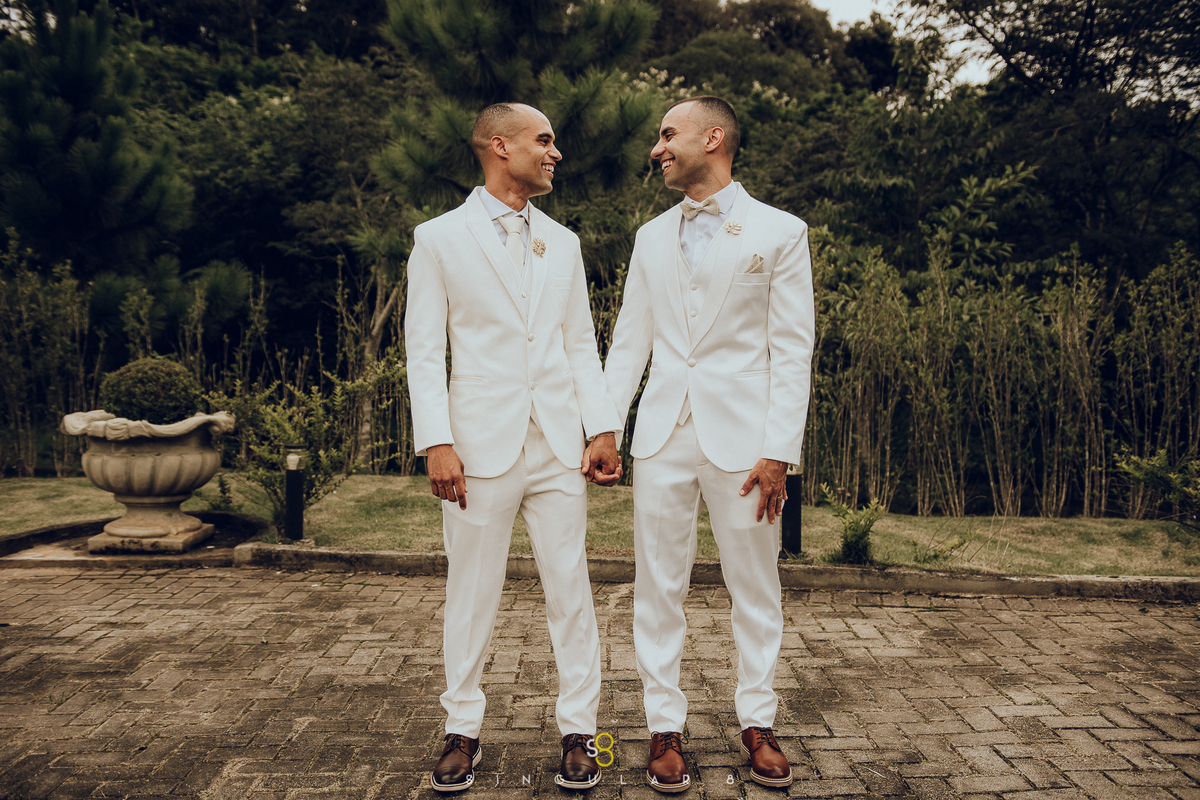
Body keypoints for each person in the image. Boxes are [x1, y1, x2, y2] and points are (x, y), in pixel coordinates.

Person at [405, 102, 623, 792]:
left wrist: (601, 427)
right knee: (471, 592)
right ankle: (462, 729)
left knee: (571, 590)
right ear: (500, 146)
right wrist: (437, 441)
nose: (555, 153)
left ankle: (580, 731)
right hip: (476, 448)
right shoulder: (438, 238)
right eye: (544, 141)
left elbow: (580, 343)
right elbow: (423, 350)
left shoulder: (563, 242)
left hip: (557, 445)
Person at [604, 96, 815, 792]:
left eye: (669, 134)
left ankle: (759, 721)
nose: (657, 148)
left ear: (713, 137)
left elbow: (793, 350)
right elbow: (629, 341)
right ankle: (664, 726)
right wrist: (605, 427)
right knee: (657, 586)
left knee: (754, 585)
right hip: (661, 434)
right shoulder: (650, 237)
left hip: (748, 445)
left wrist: (779, 450)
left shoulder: (781, 232)